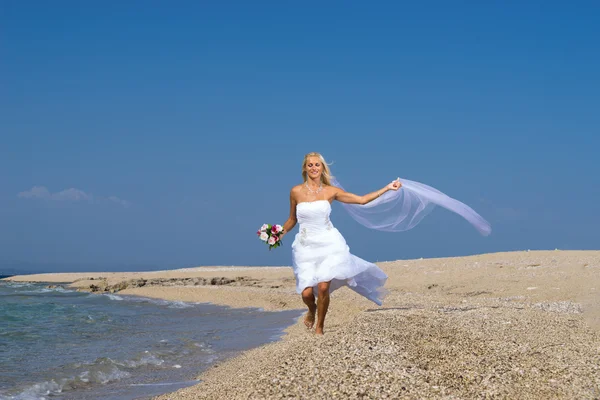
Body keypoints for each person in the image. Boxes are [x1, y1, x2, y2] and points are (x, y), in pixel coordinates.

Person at [279, 152, 401, 335]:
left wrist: (387, 188)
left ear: (322, 168)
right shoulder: (296, 191)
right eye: (310, 165)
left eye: (317, 165)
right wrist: (276, 234)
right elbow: (291, 219)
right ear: (305, 168)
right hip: (305, 247)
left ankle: (319, 327)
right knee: (306, 294)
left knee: (322, 286)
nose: (314, 168)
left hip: (329, 243)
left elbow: (361, 200)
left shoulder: (331, 191)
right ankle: (311, 310)